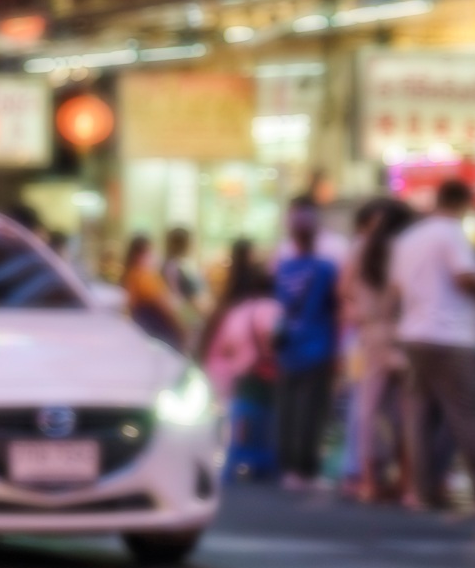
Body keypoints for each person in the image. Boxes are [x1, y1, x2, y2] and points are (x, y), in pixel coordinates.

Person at [389, 178, 475, 510]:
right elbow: (465, 278)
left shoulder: (410, 238)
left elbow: (396, 288)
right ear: (462, 204)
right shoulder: (451, 234)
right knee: (465, 413)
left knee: (418, 413)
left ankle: (420, 490)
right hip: (451, 335)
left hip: (413, 333)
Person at [341, 198, 412, 501]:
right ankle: (407, 480)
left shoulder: (361, 248)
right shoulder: (405, 249)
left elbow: (343, 289)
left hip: (369, 334)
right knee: (408, 410)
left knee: (367, 408)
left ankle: (368, 479)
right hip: (402, 332)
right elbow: (404, 290)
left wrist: (359, 309)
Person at [272, 197, 341, 489]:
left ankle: (287, 466)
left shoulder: (283, 267)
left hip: (288, 346)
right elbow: (335, 308)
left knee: (288, 407)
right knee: (312, 410)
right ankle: (306, 469)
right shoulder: (326, 268)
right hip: (318, 345)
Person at [200, 252, 280, 480]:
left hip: (237, 375)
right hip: (263, 377)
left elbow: (226, 344)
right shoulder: (271, 308)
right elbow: (277, 337)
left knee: (238, 423)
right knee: (265, 422)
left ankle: (232, 463)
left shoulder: (235, 311)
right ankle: (264, 464)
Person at [122, 234, 188, 350]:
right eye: (150, 251)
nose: (153, 256)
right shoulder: (144, 277)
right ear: (140, 255)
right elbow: (165, 307)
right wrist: (182, 330)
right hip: (160, 334)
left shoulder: (131, 275)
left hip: (145, 332)